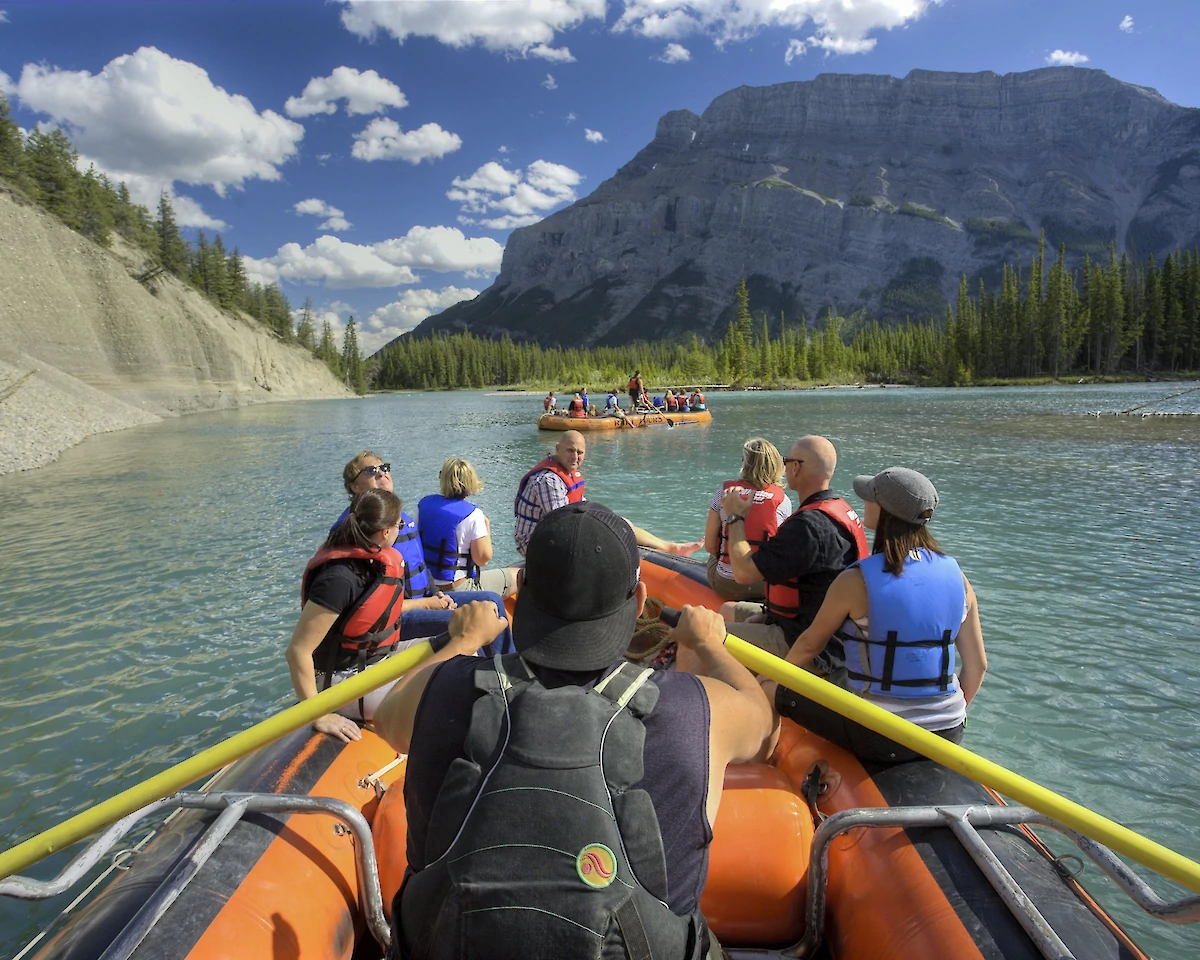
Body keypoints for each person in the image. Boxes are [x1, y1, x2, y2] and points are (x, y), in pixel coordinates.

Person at [375, 502, 774, 959]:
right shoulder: (697, 708)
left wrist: (463, 642)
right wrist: (711, 644)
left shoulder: (445, 687)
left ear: (520, 589)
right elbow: (762, 727)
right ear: (640, 600)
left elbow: (388, 720)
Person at [765, 467, 987, 764]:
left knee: (771, 689)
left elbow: (808, 647)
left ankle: (765, 771)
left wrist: (764, 681)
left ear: (883, 511)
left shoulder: (857, 580)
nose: (864, 502)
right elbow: (978, 666)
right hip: (949, 732)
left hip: (878, 735)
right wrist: (938, 723)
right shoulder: (958, 578)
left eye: (870, 497)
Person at [719, 436, 868, 677]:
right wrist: (769, 616)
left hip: (810, 647)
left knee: (699, 635)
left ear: (796, 468)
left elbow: (744, 572)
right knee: (728, 609)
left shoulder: (807, 527)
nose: (786, 467)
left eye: (787, 461)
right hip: (824, 632)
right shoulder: (837, 510)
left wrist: (736, 517)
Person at [336, 451, 512, 653]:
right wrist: (428, 604)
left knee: (492, 601)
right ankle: (489, 677)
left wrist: (436, 594)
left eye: (384, 468)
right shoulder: (357, 530)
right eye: (371, 470)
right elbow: (370, 606)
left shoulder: (405, 519)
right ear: (354, 486)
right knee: (469, 622)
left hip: (427, 598)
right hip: (396, 617)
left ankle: (507, 670)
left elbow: (420, 564)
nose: (382, 474)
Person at [289, 488, 407, 741]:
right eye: (401, 524)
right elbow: (297, 651)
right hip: (343, 682)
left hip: (375, 661)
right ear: (386, 532)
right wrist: (318, 715)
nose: (401, 529)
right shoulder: (338, 579)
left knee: (459, 651)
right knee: (442, 684)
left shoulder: (372, 563)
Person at [513, 431, 702, 558]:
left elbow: (579, 507)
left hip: (557, 532)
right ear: (557, 449)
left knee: (620, 522)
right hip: (533, 542)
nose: (575, 456)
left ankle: (669, 547)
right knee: (607, 537)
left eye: (580, 452)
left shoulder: (568, 474)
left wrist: (611, 521)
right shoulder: (548, 480)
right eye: (570, 450)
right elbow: (565, 524)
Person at [418, 458, 521, 599]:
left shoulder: (423, 505)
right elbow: (482, 560)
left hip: (427, 586)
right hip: (458, 589)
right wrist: (487, 528)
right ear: (471, 481)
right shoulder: (474, 515)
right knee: (520, 574)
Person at [704, 438, 793, 602]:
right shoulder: (783, 501)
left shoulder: (723, 494)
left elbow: (709, 545)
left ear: (745, 464)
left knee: (717, 549)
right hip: (764, 586)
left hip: (727, 584)